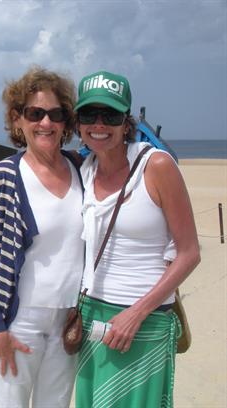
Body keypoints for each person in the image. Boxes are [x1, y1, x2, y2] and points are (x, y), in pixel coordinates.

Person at [73, 70, 201, 407]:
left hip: (143, 320)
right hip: (93, 318)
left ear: (126, 122)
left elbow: (189, 253)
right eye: (89, 114)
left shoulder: (156, 166)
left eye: (111, 115)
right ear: (78, 122)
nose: (99, 124)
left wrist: (137, 312)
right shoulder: (84, 170)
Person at [0, 65, 85, 408]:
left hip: (69, 320)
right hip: (20, 321)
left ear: (66, 122)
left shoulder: (81, 168)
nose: (46, 123)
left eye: (56, 114)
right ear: (18, 119)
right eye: (35, 113)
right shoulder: (3, 177)